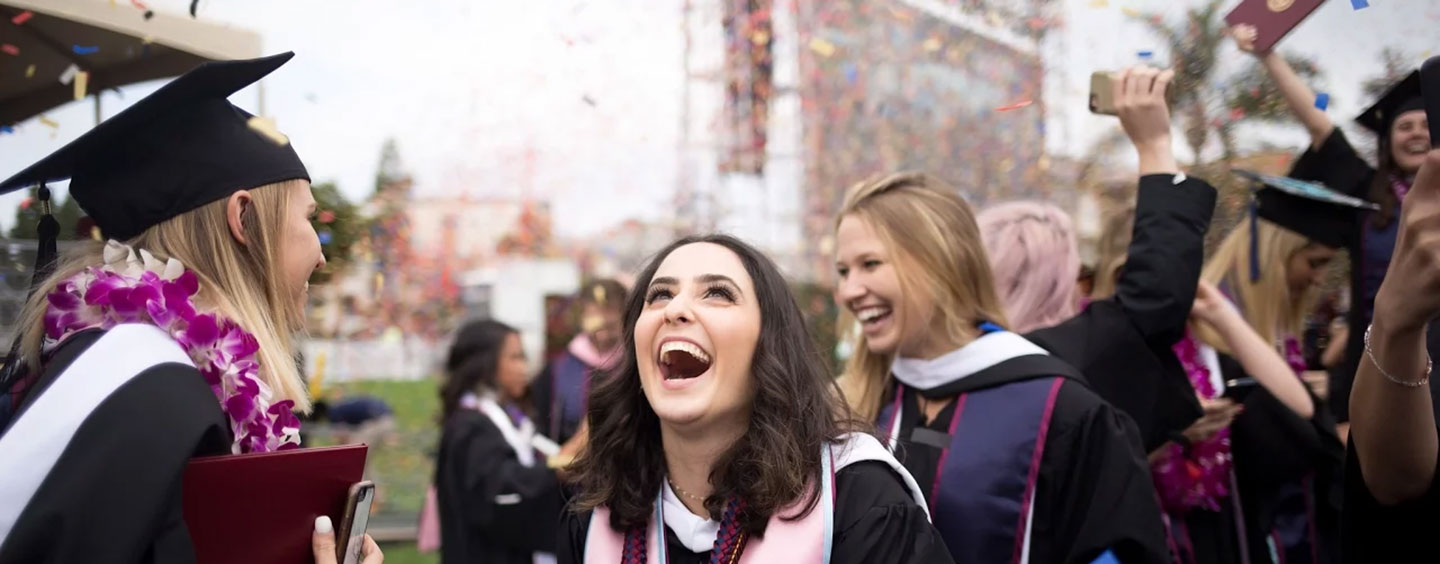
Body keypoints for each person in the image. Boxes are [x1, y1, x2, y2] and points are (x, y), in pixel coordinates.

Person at [0, 54, 380, 563]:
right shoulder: (143, 385)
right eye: (308, 219)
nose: (321, 252)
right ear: (243, 217)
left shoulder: (169, 383)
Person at [829, 67, 1196, 564]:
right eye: (842, 270)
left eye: (871, 264)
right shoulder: (854, 406)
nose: (850, 290)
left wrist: (1155, 148)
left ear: (939, 260)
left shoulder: (1058, 404)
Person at [559, 234, 950, 564]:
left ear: (770, 346)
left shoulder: (857, 501)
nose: (675, 309)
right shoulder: (597, 516)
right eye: (659, 295)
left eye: (717, 293)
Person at [1229, 24, 1440, 440]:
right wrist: (1268, 57)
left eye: (1424, 124)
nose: (1415, 133)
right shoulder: (1367, 196)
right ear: (1387, 141)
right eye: (1404, 126)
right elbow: (1321, 127)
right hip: (1380, 357)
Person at [1154, 173, 1361, 563]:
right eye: (1314, 262)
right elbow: (1304, 423)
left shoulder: (1274, 327)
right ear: (1274, 254)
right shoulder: (1202, 332)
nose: (1319, 278)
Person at [1343, 147, 1440, 562]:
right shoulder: (1371, 205)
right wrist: (1394, 319)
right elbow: (1394, 482)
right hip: (1393, 345)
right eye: (1404, 125)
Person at [434, 319, 585, 564]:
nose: (524, 367)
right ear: (485, 364)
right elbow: (499, 487)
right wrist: (561, 463)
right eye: (515, 357)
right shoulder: (470, 425)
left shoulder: (506, 416)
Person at [531, 279, 626, 444]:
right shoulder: (557, 369)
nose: (602, 336)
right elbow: (541, 425)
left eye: (610, 326)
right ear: (582, 318)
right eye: (596, 326)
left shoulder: (635, 363)